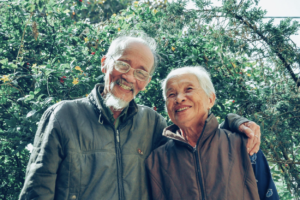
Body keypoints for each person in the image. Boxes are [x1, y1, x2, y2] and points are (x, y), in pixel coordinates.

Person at [19, 34, 261, 200]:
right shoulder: (64, 116)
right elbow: (37, 191)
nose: (130, 77)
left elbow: (194, 144)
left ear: (146, 82)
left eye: (141, 72)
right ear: (105, 64)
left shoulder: (153, 123)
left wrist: (235, 123)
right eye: (123, 65)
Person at [145, 66, 279, 200]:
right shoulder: (157, 160)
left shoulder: (244, 144)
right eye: (171, 94)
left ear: (210, 99)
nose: (179, 99)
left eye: (189, 89)